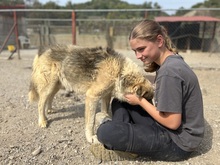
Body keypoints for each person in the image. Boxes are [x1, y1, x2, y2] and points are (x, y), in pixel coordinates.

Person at [90, 19, 204, 162]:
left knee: (105, 132)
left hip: (178, 143)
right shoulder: (171, 62)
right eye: (135, 51)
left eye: (141, 49)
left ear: (159, 41)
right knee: (121, 101)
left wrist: (140, 101)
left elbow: (173, 122)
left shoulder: (169, 72)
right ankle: (125, 141)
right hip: (171, 131)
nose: (138, 56)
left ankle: (120, 137)